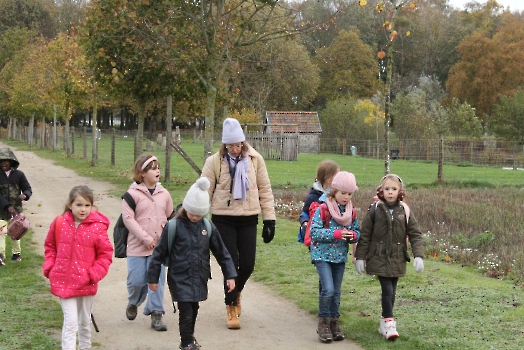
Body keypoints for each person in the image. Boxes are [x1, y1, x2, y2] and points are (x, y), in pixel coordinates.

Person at [201, 117, 276, 329]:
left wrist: (269, 220)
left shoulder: (255, 160)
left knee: (248, 264)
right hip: (223, 218)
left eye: (237, 144)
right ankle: (231, 305)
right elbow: (205, 191)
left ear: (243, 142)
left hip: (248, 218)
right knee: (230, 264)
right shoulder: (214, 162)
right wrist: (196, 218)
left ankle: (237, 290)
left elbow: (265, 189)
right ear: (224, 144)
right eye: (230, 145)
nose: (234, 149)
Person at [148, 177, 237, 350]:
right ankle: (186, 342)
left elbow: (222, 252)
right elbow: (158, 253)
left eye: (199, 214)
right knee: (185, 309)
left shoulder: (207, 227)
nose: (195, 217)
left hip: (200, 275)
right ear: (186, 208)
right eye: (192, 213)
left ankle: (189, 337)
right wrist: (152, 278)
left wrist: (230, 275)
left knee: (194, 307)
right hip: (179, 275)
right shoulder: (174, 226)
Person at [354, 174, 424, 341]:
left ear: (400, 191)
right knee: (387, 290)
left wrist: (418, 255)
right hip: (378, 257)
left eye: (394, 189)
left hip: (398, 259)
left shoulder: (405, 211)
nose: (390, 192)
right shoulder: (375, 210)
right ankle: (390, 323)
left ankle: (384, 322)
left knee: (392, 292)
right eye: (387, 189)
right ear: (381, 191)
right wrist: (360, 257)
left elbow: (415, 234)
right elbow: (365, 235)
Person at [42, 185, 113, 350]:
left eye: (87, 205)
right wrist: (51, 268)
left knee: (84, 322)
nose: (83, 209)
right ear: (70, 204)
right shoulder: (59, 223)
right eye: (79, 205)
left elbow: (105, 254)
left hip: (86, 283)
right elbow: (50, 247)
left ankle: (85, 347)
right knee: (71, 322)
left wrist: (93, 274)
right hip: (64, 282)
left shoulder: (97, 227)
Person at [122, 154, 174, 331]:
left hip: (158, 249)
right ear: (142, 173)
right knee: (137, 281)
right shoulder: (131, 195)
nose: (157, 170)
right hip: (137, 247)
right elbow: (128, 220)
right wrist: (146, 238)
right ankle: (134, 301)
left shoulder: (164, 194)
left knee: (157, 282)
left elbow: (170, 218)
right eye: (152, 168)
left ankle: (156, 313)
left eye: (158, 167)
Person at [310, 171, 360, 343]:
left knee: (336, 292)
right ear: (334, 190)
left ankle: (334, 321)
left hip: (339, 256)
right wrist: (336, 233)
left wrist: (352, 236)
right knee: (328, 289)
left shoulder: (351, 212)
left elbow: (357, 231)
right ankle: (323, 321)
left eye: (349, 194)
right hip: (321, 255)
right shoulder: (323, 208)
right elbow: (314, 232)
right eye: (342, 193)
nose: (346, 197)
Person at [0, 147, 32, 263]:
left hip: (16, 210)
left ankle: (16, 254)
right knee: (1, 233)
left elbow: (27, 188)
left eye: (6, 160)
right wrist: (7, 206)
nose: (3, 163)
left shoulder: (19, 175)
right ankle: (1, 255)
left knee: (16, 232)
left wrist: (26, 195)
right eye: (1, 161)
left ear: (12, 161)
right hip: (1, 211)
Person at [298, 160, 340, 243]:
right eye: (337, 176)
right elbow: (304, 213)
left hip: (333, 235)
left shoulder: (338, 195)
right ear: (328, 179)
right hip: (317, 236)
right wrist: (305, 223)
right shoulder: (313, 196)